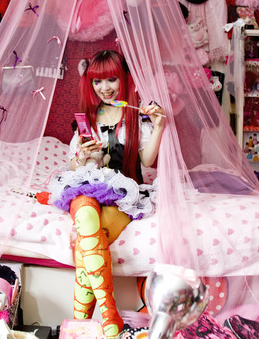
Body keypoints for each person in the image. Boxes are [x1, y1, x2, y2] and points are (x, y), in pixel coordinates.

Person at [46, 50, 165, 338]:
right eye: (97, 82)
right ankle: (109, 314)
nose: (105, 88)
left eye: (112, 79)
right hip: (88, 187)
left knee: (89, 238)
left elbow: (147, 162)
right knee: (85, 208)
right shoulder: (88, 118)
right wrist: (81, 155)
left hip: (122, 192)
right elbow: (77, 168)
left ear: (123, 79)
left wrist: (159, 126)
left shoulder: (135, 116)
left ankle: (82, 323)